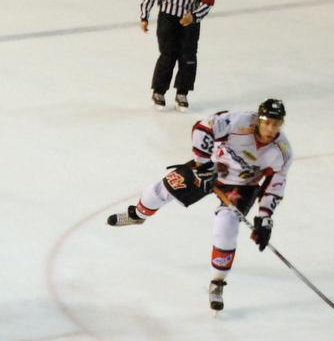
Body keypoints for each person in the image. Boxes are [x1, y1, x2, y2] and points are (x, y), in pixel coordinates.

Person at [106, 99, 293, 312]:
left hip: (241, 186)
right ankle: (137, 215)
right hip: (211, 168)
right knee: (157, 192)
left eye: (276, 124)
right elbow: (202, 128)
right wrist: (203, 165)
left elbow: (274, 186)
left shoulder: (282, 152)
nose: (271, 128)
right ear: (259, 119)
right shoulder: (239, 121)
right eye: (267, 122)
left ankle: (217, 282)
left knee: (226, 226)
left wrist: (265, 218)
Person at [140, 0, 215, 111]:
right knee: (168, 54)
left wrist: (194, 16)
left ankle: (182, 92)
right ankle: (159, 91)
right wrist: (144, 16)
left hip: (191, 20)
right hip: (169, 18)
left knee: (189, 56)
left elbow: (208, 1)